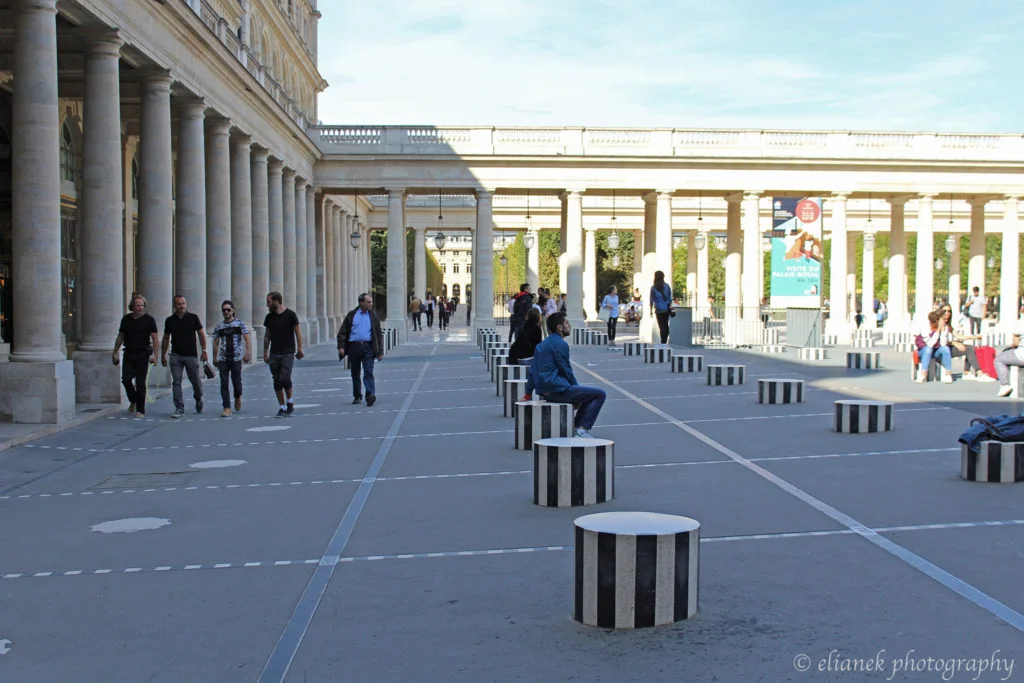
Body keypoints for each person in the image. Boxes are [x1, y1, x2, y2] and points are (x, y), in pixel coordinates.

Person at [531, 313, 606, 438]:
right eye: (566, 323)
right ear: (559, 327)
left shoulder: (542, 345)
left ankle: (577, 427)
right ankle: (582, 428)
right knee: (600, 394)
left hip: (545, 390)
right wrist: (576, 389)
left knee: (585, 393)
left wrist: (528, 392)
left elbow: (532, 370)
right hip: (556, 389)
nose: (569, 325)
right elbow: (566, 370)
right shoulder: (561, 344)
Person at [160, 295, 208, 418]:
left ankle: (198, 398)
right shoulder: (169, 320)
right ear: (174, 306)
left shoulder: (193, 318)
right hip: (176, 356)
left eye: (183, 303)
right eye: (179, 304)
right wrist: (163, 354)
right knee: (176, 382)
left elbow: (201, 334)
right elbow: (166, 338)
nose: (182, 306)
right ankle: (179, 407)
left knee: (196, 382)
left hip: (191, 355)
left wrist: (204, 350)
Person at [112, 294, 159, 417]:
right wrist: (115, 351)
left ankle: (140, 409)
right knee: (126, 379)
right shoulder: (126, 319)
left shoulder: (149, 320)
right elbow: (120, 336)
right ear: (132, 306)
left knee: (140, 382)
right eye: (137, 305)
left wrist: (156, 355)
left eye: (142, 305)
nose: (140, 308)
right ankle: (133, 400)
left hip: (143, 353)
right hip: (128, 352)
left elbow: (154, 338)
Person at [337, 292, 384, 406]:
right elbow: (342, 332)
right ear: (361, 302)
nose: (371, 304)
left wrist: (380, 351)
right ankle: (357, 395)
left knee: (368, 371)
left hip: (368, 346)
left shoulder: (373, 316)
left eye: (371, 302)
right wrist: (341, 346)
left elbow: (378, 334)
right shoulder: (352, 315)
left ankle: (370, 394)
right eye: (368, 302)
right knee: (355, 372)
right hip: (354, 347)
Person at [263, 291, 304, 417]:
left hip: (288, 352)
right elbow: (267, 336)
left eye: (269, 302)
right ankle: (282, 406)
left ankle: (290, 401)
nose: (267, 305)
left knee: (285, 378)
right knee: (276, 381)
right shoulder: (269, 318)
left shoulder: (290, 315)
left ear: (276, 301)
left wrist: (300, 349)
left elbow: (297, 333)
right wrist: (265, 352)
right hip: (274, 352)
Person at [211, 299, 251, 417]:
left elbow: (247, 338)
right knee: (224, 383)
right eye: (224, 310)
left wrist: (247, 352)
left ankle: (238, 396)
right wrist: (214, 358)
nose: (226, 312)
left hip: (236, 358)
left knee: (237, 382)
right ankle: (226, 407)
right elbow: (216, 342)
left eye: (228, 310)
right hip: (223, 359)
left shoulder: (239, 324)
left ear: (233, 311)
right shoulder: (219, 326)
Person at [938, 304, 991, 381]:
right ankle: (980, 374)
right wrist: (954, 343)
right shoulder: (936, 324)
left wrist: (974, 337)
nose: (947, 313)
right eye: (944, 311)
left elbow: (958, 336)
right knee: (959, 347)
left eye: (949, 311)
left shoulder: (947, 325)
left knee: (970, 348)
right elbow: (939, 342)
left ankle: (969, 373)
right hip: (939, 350)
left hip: (947, 348)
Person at [508, 307, 543, 400]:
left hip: (517, 357)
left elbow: (518, 341)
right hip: (529, 358)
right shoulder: (537, 328)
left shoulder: (522, 326)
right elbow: (538, 346)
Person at [916, 310, 952, 383]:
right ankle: (923, 374)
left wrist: (943, 331)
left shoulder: (944, 327)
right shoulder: (925, 327)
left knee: (945, 349)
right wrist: (938, 330)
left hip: (936, 351)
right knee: (928, 349)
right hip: (923, 351)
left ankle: (948, 374)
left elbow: (943, 344)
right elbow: (930, 344)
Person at [995, 317, 1024, 397]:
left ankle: (1005, 385)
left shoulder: (1021, 322)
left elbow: (1015, 342)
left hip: (1021, 356)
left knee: (999, 359)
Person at [650, 270, 673, 344]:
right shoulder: (667, 286)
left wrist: (650, 310)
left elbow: (651, 299)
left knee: (661, 326)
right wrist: (669, 306)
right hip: (666, 309)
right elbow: (670, 298)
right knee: (666, 325)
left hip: (659, 309)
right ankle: (665, 341)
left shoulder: (653, 288)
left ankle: (662, 342)